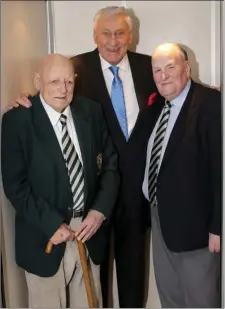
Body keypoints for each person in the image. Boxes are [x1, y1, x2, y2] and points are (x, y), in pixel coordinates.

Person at [9, 6, 161, 307]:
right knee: (91, 285)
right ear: (95, 35)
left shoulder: (149, 67)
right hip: (72, 216)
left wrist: (205, 91)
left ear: (130, 35)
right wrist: (27, 100)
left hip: (130, 198)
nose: (113, 40)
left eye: (120, 33)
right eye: (106, 33)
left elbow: (176, 87)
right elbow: (51, 96)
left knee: (130, 279)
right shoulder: (76, 67)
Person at [1, 54, 119, 308]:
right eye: (54, 81)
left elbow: (110, 166)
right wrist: (52, 224)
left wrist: (99, 212)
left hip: (89, 233)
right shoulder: (18, 121)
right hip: (45, 236)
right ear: (37, 81)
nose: (63, 89)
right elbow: (15, 184)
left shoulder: (91, 111)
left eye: (68, 81)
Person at [142, 42, 221, 308]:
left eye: (170, 67)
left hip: (197, 228)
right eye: (156, 70)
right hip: (160, 219)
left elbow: (220, 170)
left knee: (200, 301)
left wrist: (218, 227)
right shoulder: (156, 107)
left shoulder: (211, 103)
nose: (162, 76)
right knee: (170, 298)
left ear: (187, 68)